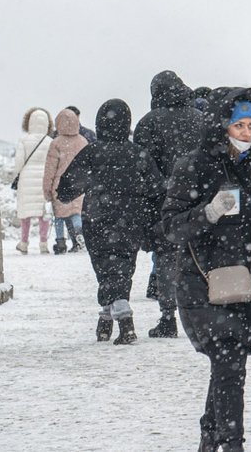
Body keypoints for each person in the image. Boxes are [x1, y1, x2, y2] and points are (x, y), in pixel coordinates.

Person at [162, 89, 251, 452]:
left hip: (245, 280)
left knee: (230, 365)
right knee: (229, 365)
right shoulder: (193, 165)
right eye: (237, 125)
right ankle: (231, 443)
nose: (245, 133)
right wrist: (207, 213)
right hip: (203, 281)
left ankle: (210, 437)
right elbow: (170, 227)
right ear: (221, 126)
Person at [59, 99, 162, 344]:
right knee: (123, 267)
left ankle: (124, 321)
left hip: (98, 217)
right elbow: (156, 187)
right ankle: (106, 318)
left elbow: (66, 188)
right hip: (131, 218)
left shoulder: (92, 152)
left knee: (104, 267)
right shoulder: (138, 153)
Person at [134, 69, 205, 338]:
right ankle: (201, 311)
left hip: (163, 201)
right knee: (199, 253)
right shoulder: (202, 119)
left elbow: (143, 167)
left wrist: (159, 190)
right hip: (199, 198)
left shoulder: (148, 123)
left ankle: (168, 316)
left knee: (166, 258)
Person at [42, 109, 88, 254]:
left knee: (59, 216)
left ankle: (60, 243)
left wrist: (47, 189)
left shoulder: (56, 143)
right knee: (76, 212)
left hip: (60, 183)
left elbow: (50, 169)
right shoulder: (82, 141)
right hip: (79, 183)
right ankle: (79, 235)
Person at [14, 108, 54, 254]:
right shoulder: (50, 141)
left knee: (26, 213)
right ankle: (43, 244)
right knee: (43, 213)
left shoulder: (24, 140)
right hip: (44, 178)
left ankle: (24, 243)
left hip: (27, 178)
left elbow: (18, 163)